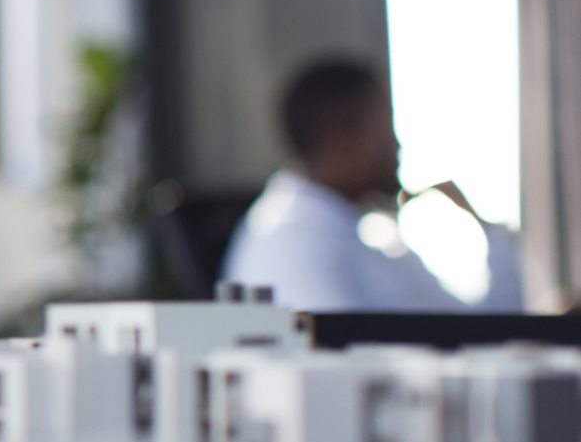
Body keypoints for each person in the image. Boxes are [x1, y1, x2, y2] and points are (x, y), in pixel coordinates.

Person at [220, 57, 522, 312]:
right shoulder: (288, 241)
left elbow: (479, 328)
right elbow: (337, 369)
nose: (398, 145)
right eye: (387, 124)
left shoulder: (364, 238)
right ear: (344, 140)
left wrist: (483, 226)